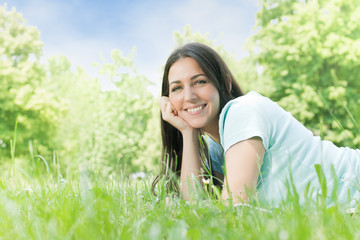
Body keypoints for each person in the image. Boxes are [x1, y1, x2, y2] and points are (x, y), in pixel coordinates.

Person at [152, 42, 360, 208]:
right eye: (177, 88)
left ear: (225, 82)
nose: (189, 96)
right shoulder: (219, 146)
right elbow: (195, 206)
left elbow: (233, 209)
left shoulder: (243, 111)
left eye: (200, 82)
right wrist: (187, 133)